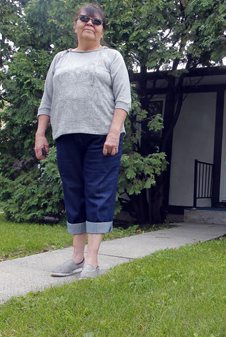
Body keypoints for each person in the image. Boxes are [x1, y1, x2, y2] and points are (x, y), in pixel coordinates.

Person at [34, 3, 131, 279]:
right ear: (75, 24)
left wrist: (114, 132)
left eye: (97, 21)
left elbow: (123, 99)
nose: (90, 23)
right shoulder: (60, 59)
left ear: (102, 29)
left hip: (102, 137)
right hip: (66, 135)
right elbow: (47, 101)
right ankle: (77, 257)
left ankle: (92, 260)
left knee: (98, 194)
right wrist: (41, 133)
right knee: (74, 194)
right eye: (84, 18)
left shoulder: (111, 57)